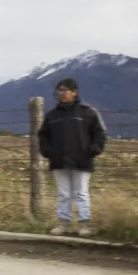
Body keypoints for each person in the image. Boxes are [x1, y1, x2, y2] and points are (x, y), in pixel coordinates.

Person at [38, 78, 107, 237]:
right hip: (59, 160)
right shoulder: (52, 115)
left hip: (81, 159)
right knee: (64, 193)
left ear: (74, 92)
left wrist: (93, 150)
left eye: (65, 90)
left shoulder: (88, 112)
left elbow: (100, 133)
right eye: (59, 90)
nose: (61, 93)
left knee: (81, 193)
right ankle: (64, 224)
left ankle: (84, 224)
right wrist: (48, 151)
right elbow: (43, 135)